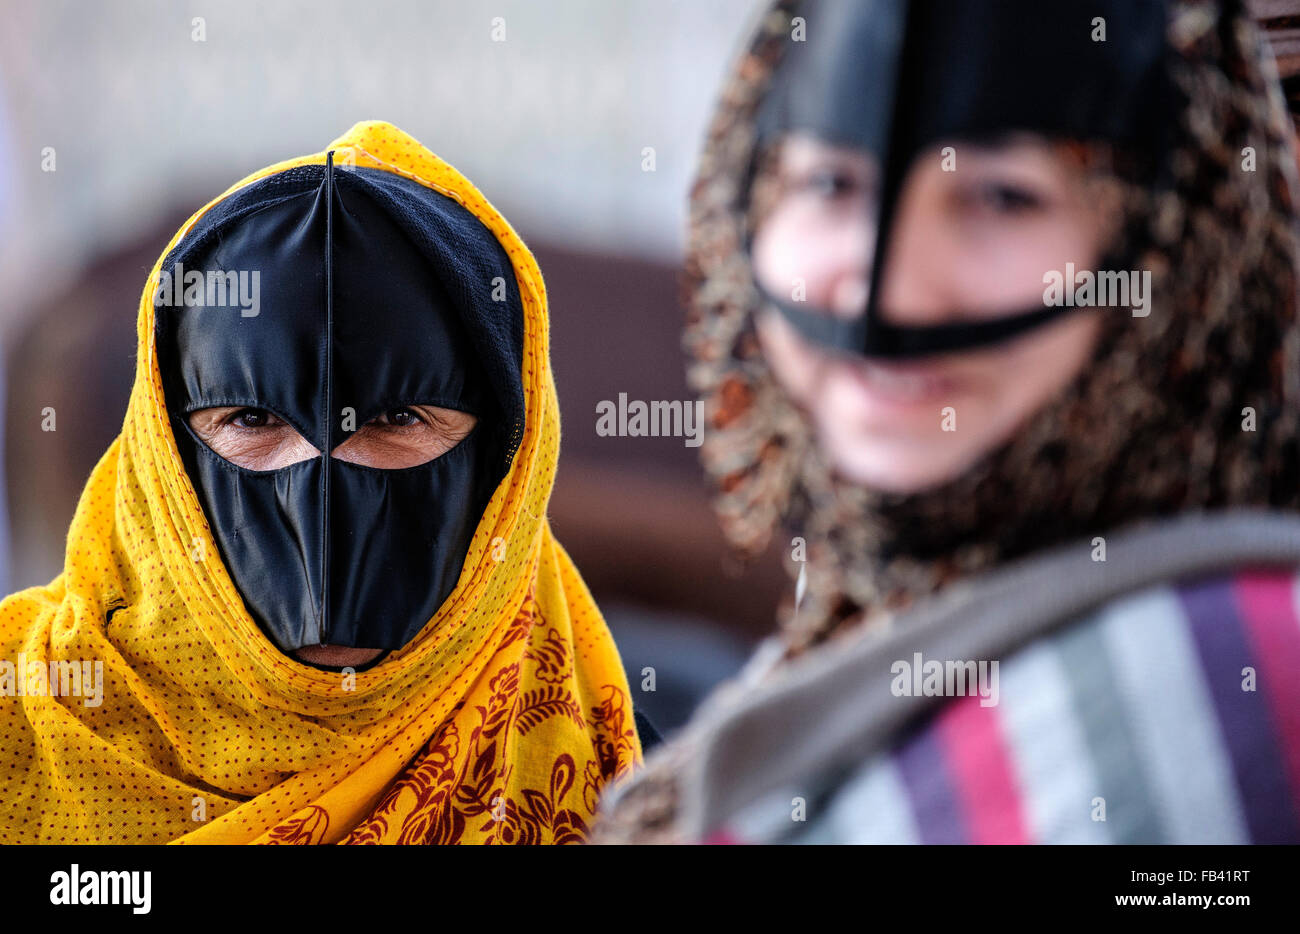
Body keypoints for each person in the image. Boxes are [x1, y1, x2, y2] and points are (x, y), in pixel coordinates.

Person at [593, 0, 1300, 843]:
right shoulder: (853, 642)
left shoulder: (1236, 674)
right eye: (830, 184)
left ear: (1187, 240)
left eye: (1003, 197)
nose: (891, 292)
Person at [0, 121, 643, 844]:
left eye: (398, 418)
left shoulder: (627, 788)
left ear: (507, 462)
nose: (322, 520)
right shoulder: (18, 732)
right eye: (250, 418)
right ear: (163, 453)